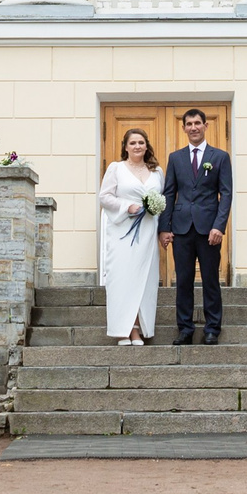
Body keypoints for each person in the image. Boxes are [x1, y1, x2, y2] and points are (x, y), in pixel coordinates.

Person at [158, 107, 232, 344]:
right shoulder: (175, 158)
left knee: (210, 279)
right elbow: (169, 194)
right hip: (181, 229)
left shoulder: (219, 157)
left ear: (205, 126)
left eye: (197, 123)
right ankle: (185, 328)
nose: (193, 128)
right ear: (184, 128)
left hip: (209, 229)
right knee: (184, 280)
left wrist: (219, 226)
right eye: (189, 124)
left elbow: (226, 194)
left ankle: (212, 328)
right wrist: (164, 227)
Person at [96, 128, 164, 346]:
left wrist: (159, 219)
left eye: (141, 143)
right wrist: (128, 207)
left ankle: (138, 328)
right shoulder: (116, 168)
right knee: (124, 279)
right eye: (133, 143)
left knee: (144, 281)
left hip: (147, 232)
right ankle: (124, 330)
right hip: (122, 232)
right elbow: (104, 197)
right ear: (125, 147)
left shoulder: (157, 172)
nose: (137, 146)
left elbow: (163, 200)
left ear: (146, 146)